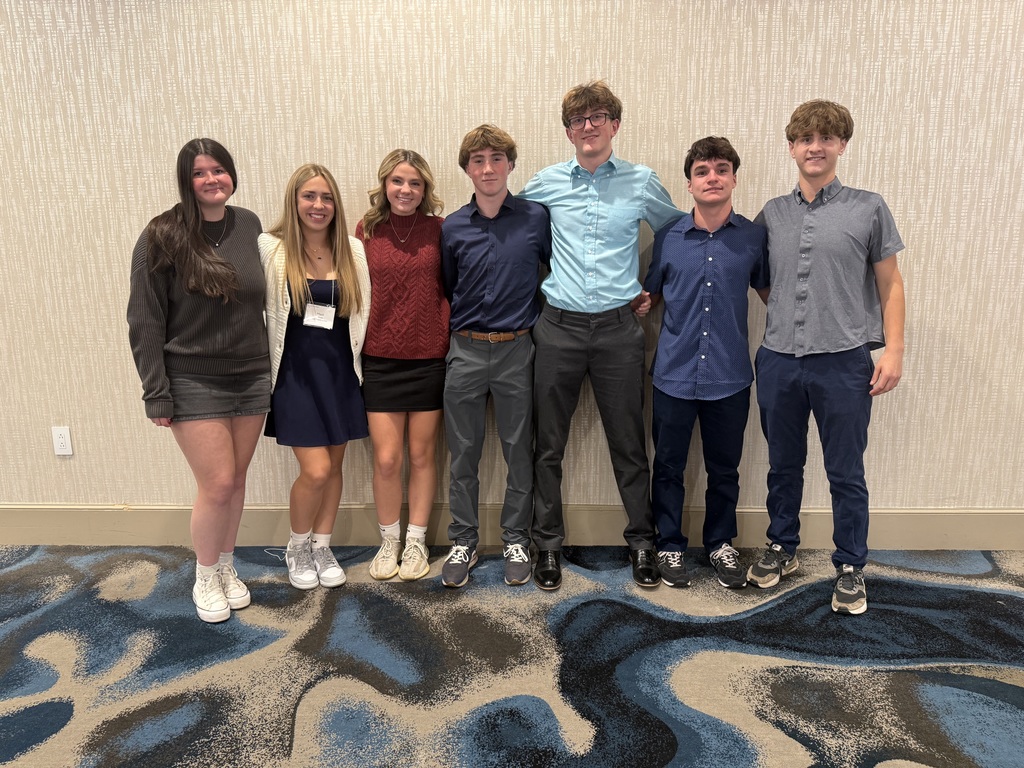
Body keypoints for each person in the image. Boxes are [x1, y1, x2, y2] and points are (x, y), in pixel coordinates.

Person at [519, 80, 681, 590]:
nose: (588, 126)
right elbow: (514, 234)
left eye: (598, 116)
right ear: (568, 131)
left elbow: (676, 233)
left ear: (615, 124)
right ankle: (547, 545)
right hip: (558, 328)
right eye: (578, 119)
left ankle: (642, 543)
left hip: (618, 331)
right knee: (547, 445)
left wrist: (649, 286)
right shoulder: (545, 183)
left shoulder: (641, 181)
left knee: (629, 443)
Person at [748, 100, 906, 615]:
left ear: (841, 145)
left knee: (845, 468)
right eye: (805, 139)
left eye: (826, 138)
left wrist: (894, 350)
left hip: (845, 361)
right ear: (792, 147)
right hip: (779, 359)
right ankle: (782, 546)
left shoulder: (869, 208)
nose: (815, 147)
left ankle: (851, 566)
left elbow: (891, 284)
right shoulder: (772, 213)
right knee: (783, 464)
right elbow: (763, 281)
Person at [127, 138, 269, 623]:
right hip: (191, 378)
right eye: (200, 172)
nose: (212, 179)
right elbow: (144, 319)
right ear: (186, 182)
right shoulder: (162, 235)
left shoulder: (248, 225)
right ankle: (205, 575)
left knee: (237, 480)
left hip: (251, 374)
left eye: (220, 169)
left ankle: (228, 567)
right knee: (218, 482)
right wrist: (156, 391)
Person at [644, 137, 768, 589]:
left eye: (720, 169)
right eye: (702, 170)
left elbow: (771, 295)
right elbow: (649, 295)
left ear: (734, 178)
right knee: (669, 466)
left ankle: (720, 543)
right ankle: (670, 545)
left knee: (724, 468)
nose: (712, 177)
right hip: (672, 375)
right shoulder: (669, 238)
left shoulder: (753, 237)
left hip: (730, 376)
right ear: (689, 183)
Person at [439, 125, 551, 588]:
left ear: (510, 164)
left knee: (517, 451)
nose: (488, 168)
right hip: (464, 348)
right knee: (463, 452)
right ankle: (463, 539)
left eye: (496, 159)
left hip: (517, 350)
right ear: (467, 169)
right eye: (478, 160)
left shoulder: (535, 218)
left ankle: (514, 539)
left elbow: (552, 272)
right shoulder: (452, 226)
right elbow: (448, 285)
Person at [260, 164, 371, 590]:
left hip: (341, 372)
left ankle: (322, 546)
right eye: (309, 196)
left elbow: (362, 314)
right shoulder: (271, 249)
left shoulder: (352, 251)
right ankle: (297, 545)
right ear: (295, 201)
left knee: (336, 465)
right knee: (317, 469)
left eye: (326, 198)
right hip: (295, 376)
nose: (318, 205)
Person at [356, 150, 448, 582]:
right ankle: (389, 540)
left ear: (424, 188)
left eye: (414, 183)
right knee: (388, 458)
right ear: (384, 185)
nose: (405, 190)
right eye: (397, 181)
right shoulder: (366, 230)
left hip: (429, 355)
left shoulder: (440, 230)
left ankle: (416, 541)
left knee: (422, 454)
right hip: (379, 358)